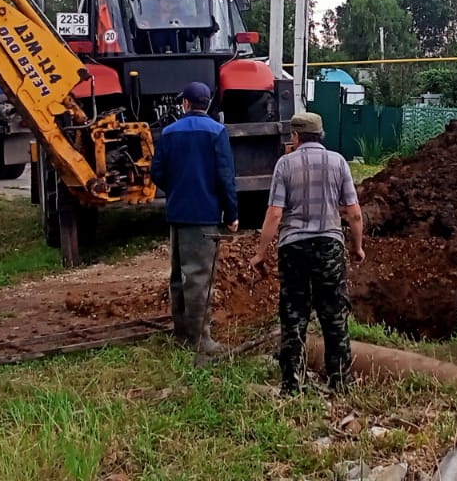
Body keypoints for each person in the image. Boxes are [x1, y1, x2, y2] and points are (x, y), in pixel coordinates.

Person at [250, 112, 365, 394]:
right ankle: (339, 380)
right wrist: (357, 247)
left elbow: (275, 213)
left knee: (294, 313)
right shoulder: (338, 162)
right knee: (334, 312)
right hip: (329, 244)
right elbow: (354, 213)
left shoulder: (285, 165)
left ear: (296, 137)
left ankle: (292, 384)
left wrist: (260, 253)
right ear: (321, 135)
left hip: (294, 247)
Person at [149, 81, 238, 354]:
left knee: (178, 276)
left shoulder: (169, 132)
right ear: (208, 104)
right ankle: (201, 340)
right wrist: (231, 212)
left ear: (185, 103)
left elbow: (156, 173)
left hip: (177, 215)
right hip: (205, 216)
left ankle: (182, 334)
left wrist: (176, 190)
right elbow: (225, 176)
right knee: (200, 279)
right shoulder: (217, 131)